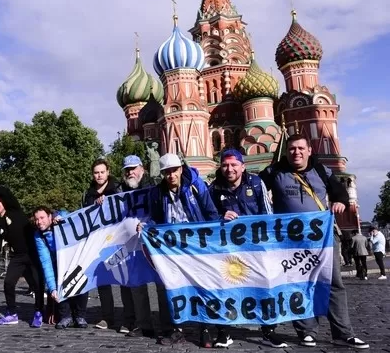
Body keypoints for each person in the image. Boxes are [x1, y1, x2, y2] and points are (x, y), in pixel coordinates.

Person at [259, 133, 369, 349]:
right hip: (291, 242)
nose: (296, 152)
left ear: (309, 150)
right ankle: (306, 331)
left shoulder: (321, 170)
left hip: (323, 240)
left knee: (333, 284)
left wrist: (340, 201)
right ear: (286, 152)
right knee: (299, 284)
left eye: (301, 148)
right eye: (292, 149)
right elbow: (252, 191)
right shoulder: (275, 171)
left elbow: (339, 191)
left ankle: (343, 333)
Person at [208, 149, 287, 348]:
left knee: (263, 287)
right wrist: (220, 217)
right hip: (227, 250)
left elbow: (267, 215)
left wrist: (270, 245)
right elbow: (206, 217)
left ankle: (269, 330)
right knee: (223, 288)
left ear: (243, 166)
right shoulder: (214, 188)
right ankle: (223, 332)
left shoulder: (256, 183)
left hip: (255, 248)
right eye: (225, 165)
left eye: (234, 165)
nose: (229, 169)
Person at [141, 153, 220, 347]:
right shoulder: (157, 193)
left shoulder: (195, 186)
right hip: (172, 250)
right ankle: (175, 329)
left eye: (174, 170)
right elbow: (155, 219)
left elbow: (210, 213)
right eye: (166, 172)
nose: (171, 175)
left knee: (202, 286)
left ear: (180, 169)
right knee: (171, 287)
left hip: (196, 246)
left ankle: (206, 329)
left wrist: (212, 241)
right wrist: (146, 226)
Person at [0, 185, 45, 327]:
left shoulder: (14, 210)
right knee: (8, 283)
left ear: (4, 202)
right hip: (18, 256)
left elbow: (5, 191)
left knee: (37, 283)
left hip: (32, 253)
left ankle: (39, 312)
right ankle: (12, 314)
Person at [81, 158, 121, 330]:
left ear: (108, 172)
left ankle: (131, 319)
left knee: (125, 280)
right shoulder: (88, 193)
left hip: (117, 240)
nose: (99, 175)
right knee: (102, 281)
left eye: (102, 172)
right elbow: (82, 215)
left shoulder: (117, 189)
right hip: (98, 242)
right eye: (96, 172)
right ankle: (107, 317)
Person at [33, 206, 89, 329]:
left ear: (50, 216)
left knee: (81, 283)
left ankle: (80, 316)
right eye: (36, 219)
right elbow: (46, 262)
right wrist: (52, 288)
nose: (39, 222)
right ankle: (65, 316)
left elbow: (75, 219)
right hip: (58, 263)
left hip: (75, 258)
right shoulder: (39, 236)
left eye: (42, 218)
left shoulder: (60, 218)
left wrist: (64, 219)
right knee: (59, 285)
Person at [120, 155, 156, 338]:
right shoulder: (120, 191)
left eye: (133, 168)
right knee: (137, 286)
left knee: (162, 284)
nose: (130, 172)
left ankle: (170, 325)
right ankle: (143, 324)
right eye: (127, 170)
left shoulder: (154, 187)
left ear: (142, 168)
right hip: (132, 245)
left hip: (154, 244)